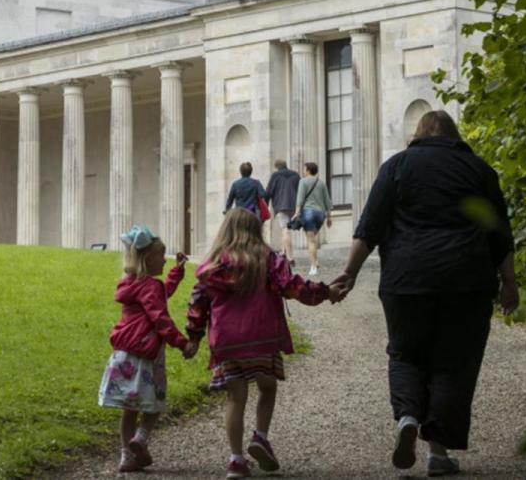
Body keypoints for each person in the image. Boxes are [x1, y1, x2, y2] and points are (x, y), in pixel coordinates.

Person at [333, 110, 519, 477]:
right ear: (455, 135)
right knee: (454, 361)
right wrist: (509, 283)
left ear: (417, 135)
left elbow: (369, 226)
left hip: (407, 281)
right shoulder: (479, 170)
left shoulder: (396, 166)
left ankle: (407, 416)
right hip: (466, 283)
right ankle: (438, 453)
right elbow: (499, 233)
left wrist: (348, 274)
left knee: (405, 352)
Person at [186, 208, 345, 479]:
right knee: (267, 387)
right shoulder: (268, 258)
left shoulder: (213, 265)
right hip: (263, 337)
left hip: (228, 342)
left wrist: (194, 337)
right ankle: (260, 436)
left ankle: (236, 460)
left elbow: (198, 303)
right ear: (255, 231)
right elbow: (292, 286)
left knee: (236, 397)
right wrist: (325, 292)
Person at [98, 225, 199, 473]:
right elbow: (160, 318)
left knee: (128, 408)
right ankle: (141, 438)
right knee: (155, 402)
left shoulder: (131, 284)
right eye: (161, 257)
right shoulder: (150, 287)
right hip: (147, 355)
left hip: (124, 355)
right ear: (148, 259)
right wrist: (182, 342)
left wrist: (177, 271)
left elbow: (161, 293)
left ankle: (126, 456)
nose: (164, 262)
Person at [293, 161, 333, 276]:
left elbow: (300, 199)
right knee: (312, 239)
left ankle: (313, 267)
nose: (303, 171)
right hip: (320, 215)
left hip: (309, 213)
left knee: (310, 240)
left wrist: (296, 213)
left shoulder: (303, 181)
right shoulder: (321, 183)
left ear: (308, 170)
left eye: (304, 169)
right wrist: (329, 217)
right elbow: (327, 201)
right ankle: (316, 261)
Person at [263, 159, 300, 256]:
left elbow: (268, 192)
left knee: (285, 230)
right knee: (286, 230)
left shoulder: (275, 175)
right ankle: (283, 252)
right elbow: (301, 191)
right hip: (294, 206)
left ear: (276, 167)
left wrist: (265, 205)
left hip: (281, 206)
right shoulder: (296, 175)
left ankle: (290, 257)